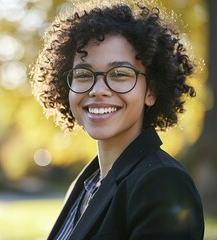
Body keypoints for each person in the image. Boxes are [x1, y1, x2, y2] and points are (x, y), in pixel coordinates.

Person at [31, 1, 204, 239]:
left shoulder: (163, 183)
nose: (98, 90)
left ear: (151, 91)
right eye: (83, 74)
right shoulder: (84, 185)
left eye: (120, 74)